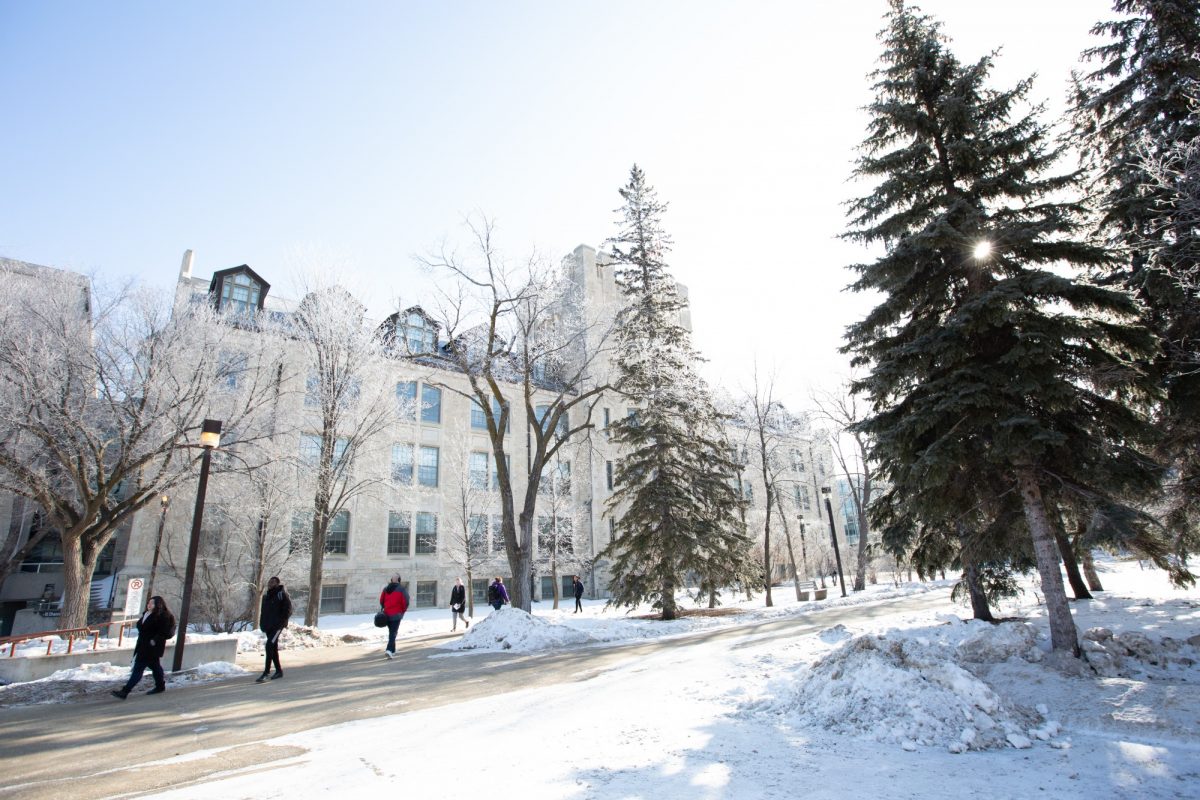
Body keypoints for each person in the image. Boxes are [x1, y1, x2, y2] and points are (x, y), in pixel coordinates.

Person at [112, 595, 176, 699]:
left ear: (158, 604)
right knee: (155, 667)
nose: (149, 605)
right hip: (143, 645)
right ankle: (160, 686)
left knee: (138, 668)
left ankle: (125, 691)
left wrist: (154, 640)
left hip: (151, 647)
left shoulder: (163, 616)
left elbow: (164, 632)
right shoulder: (147, 614)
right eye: (149, 603)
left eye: (152, 603)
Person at [257, 576, 292, 682]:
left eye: (273, 582)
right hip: (268, 626)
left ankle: (266, 673)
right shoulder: (266, 596)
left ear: (277, 583)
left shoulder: (282, 594)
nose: (270, 584)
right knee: (273, 648)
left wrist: (281, 623)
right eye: (269, 582)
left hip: (277, 627)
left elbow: (288, 610)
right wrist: (262, 624)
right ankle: (278, 671)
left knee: (269, 645)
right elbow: (264, 612)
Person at [379, 575, 409, 658]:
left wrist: (385, 607)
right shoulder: (402, 589)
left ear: (391, 580)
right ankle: (388, 650)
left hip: (387, 614)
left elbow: (381, 600)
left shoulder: (386, 588)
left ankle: (393, 650)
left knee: (392, 632)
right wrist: (403, 611)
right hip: (396, 614)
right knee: (393, 633)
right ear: (399, 580)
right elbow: (406, 601)